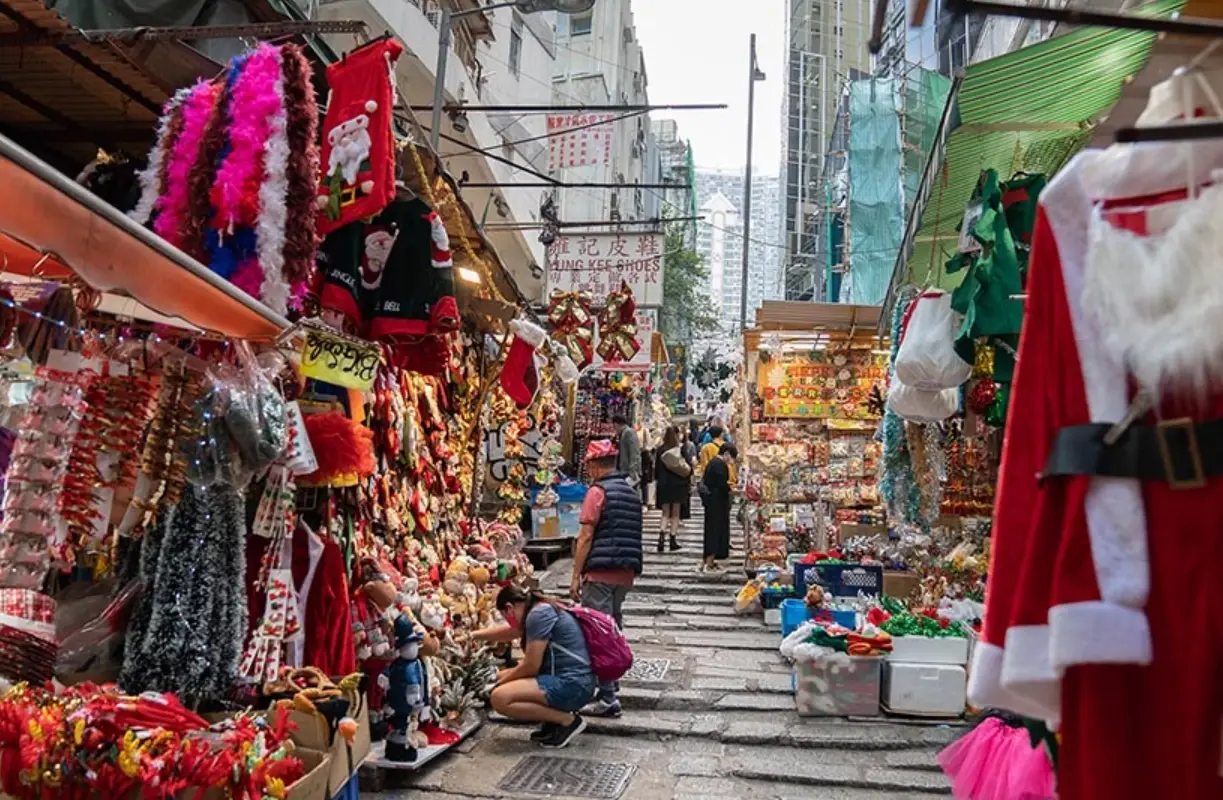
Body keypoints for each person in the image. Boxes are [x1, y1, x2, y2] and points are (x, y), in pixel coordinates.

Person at [569, 439, 642, 718]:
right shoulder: (629, 491)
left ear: (596, 466)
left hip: (600, 570)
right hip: (624, 571)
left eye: (589, 464)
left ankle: (608, 697)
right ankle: (613, 682)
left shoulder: (597, 492)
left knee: (598, 633)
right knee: (613, 626)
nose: (588, 470)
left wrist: (576, 575)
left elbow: (586, 536)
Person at [473, 586, 594, 748]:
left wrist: (497, 685)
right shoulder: (538, 609)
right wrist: (472, 635)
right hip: (573, 679)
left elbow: (531, 666)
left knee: (500, 698)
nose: (508, 622)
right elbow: (512, 632)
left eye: (505, 616)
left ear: (509, 608)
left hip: (572, 684)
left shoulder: (538, 615)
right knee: (502, 678)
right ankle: (554, 720)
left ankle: (568, 721)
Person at [699, 442, 736, 572]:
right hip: (717, 502)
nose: (731, 461)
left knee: (710, 530)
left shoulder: (713, 463)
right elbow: (722, 485)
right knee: (714, 531)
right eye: (731, 457)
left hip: (711, 502)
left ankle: (707, 560)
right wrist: (731, 489)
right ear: (726, 454)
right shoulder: (720, 465)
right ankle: (709, 561)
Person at [653, 425, 690, 553]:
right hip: (678, 485)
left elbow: (656, 470)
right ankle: (673, 540)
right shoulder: (679, 449)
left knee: (665, 513)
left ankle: (661, 538)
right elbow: (686, 466)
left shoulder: (659, 450)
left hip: (664, 485)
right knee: (675, 513)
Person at [611, 414, 642, 501]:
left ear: (616, 424)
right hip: (624, 471)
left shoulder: (629, 432)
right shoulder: (622, 434)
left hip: (629, 472)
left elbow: (634, 452)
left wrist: (633, 471)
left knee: (630, 496)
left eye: (614, 427)